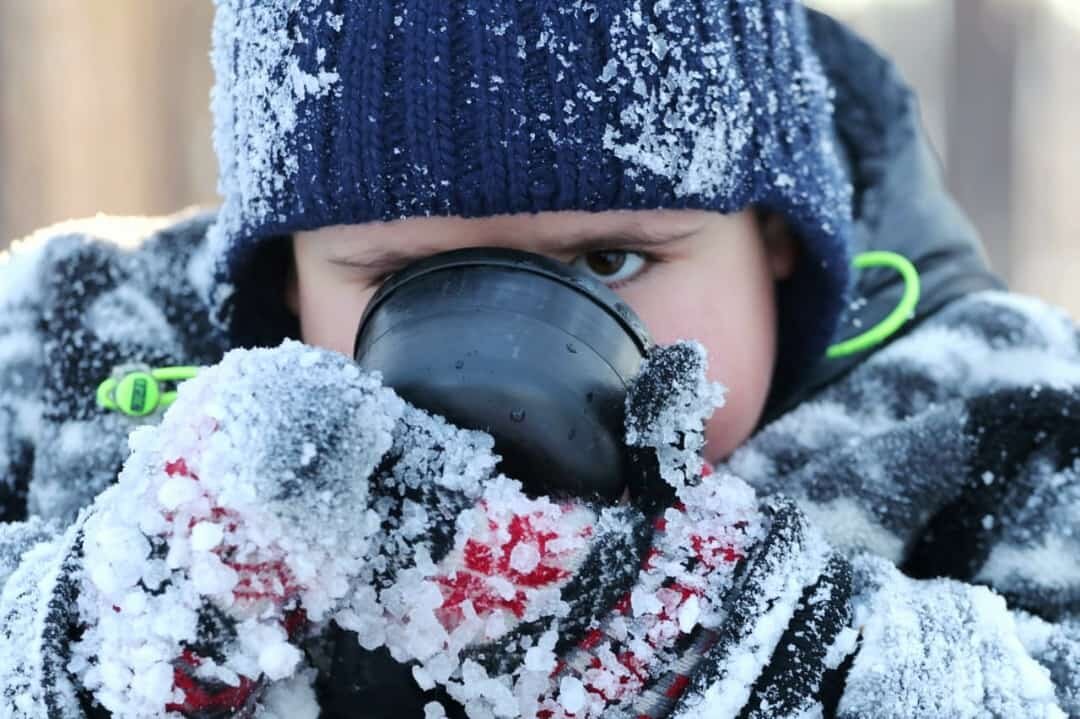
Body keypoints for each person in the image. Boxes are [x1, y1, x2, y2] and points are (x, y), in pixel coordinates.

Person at [1, 1, 1078, 717]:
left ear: (777, 238)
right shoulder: (85, 356)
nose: (510, 361)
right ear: (286, 279)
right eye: (406, 281)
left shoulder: (992, 410)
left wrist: (738, 640)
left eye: (609, 260)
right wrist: (134, 611)